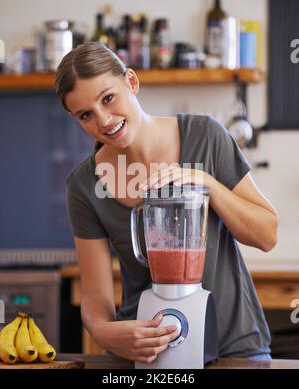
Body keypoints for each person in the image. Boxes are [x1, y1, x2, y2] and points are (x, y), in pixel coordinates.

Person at [55, 42, 278, 363]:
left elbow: (267, 235)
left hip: (237, 346)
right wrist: (105, 332)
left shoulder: (206, 136)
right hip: (148, 350)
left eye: (108, 98)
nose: (103, 120)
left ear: (131, 82)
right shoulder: (83, 185)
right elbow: (95, 297)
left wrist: (206, 183)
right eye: (86, 115)